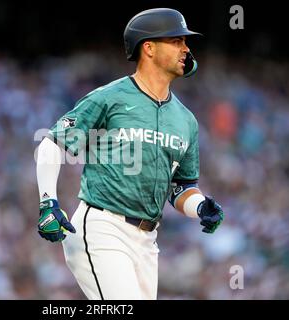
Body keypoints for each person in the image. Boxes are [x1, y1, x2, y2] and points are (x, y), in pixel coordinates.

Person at [35, 8, 224, 300]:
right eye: (176, 40)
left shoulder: (186, 120)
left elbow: (180, 187)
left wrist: (200, 206)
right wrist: (48, 202)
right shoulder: (111, 97)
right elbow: (52, 143)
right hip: (102, 227)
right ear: (148, 48)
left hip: (147, 242)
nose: (186, 48)